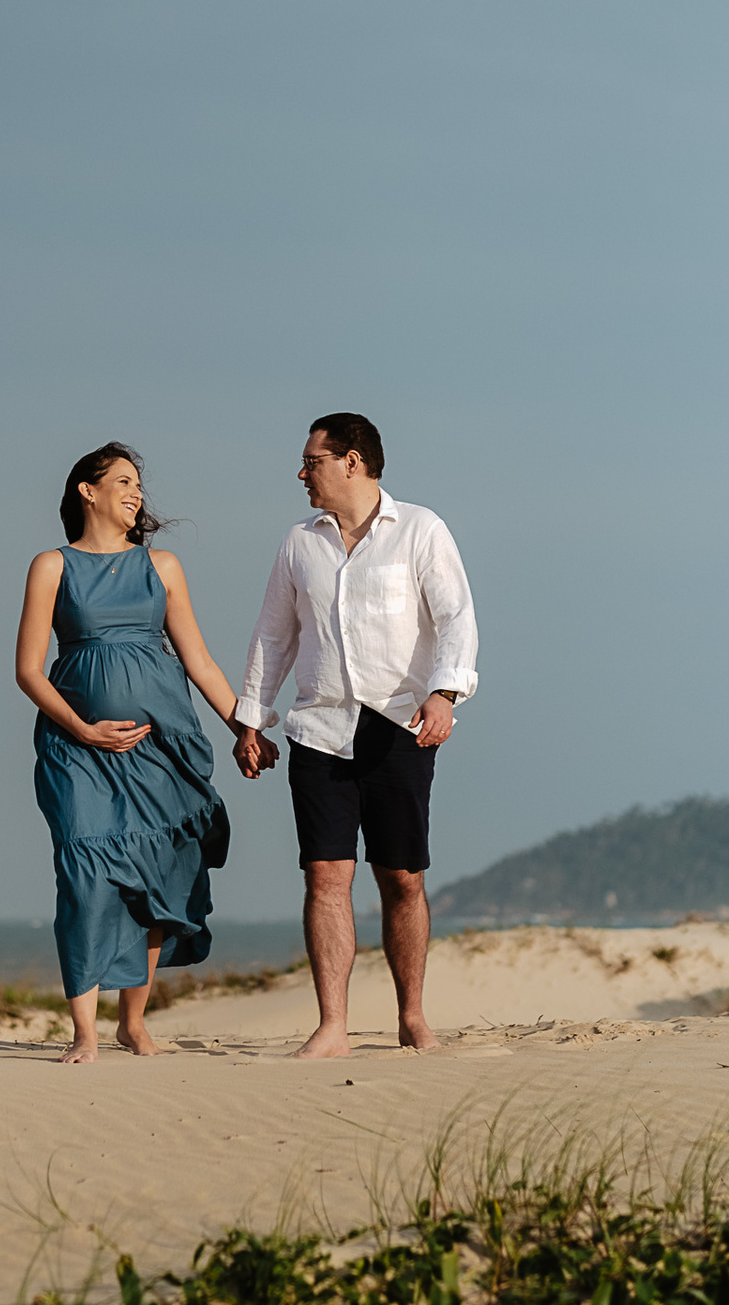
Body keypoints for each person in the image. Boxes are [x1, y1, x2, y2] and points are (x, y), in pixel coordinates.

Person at [234, 413, 478, 1059]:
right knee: (325, 876)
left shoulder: (421, 530)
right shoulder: (298, 543)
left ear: (352, 461)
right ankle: (333, 1025)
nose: (301, 473)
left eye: (312, 461)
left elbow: (456, 618)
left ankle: (412, 1017)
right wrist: (250, 719)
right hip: (319, 728)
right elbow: (273, 635)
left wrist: (445, 692)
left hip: (399, 725)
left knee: (401, 879)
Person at [16, 442, 264, 1063]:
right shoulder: (52, 566)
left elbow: (199, 662)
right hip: (78, 749)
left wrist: (245, 725)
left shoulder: (164, 567)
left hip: (159, 746)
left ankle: (133, 1021)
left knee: (160, 870)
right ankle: (84, 1031)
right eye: (122, 482)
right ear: (87, 491)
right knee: (84, 871)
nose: (136, 493)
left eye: (138, 485)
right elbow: (29, 671)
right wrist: (82, 728)